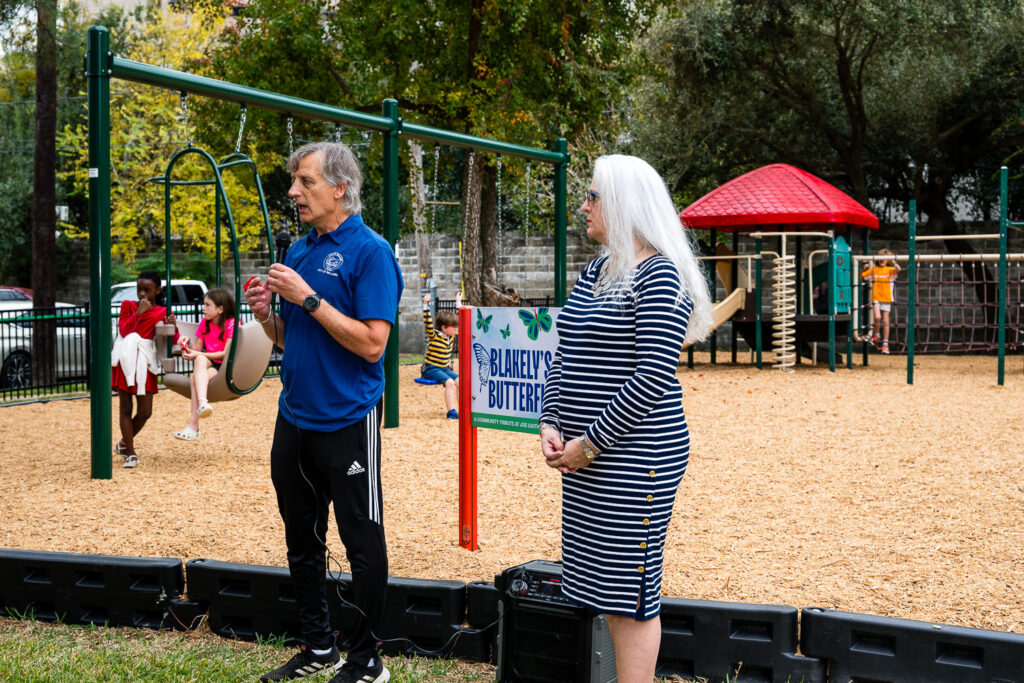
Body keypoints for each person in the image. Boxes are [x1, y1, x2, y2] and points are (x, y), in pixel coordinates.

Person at [539, 155, 712, 683]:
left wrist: (588, 444)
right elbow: (564, 352)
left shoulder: (661, 275)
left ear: (622, 204)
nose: (584, 206)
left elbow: (652, 376)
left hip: (637, 460)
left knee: (631, 594)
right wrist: (551, 420)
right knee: (604, 587)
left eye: (592, 196)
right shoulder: (597, 270)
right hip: (588, 457)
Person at [246, 141, 402, 683]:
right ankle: (319, 647)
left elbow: (373, 346)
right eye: (294, 181)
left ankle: (367, 661)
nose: (294, 191)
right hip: (294, 419)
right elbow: (291, 338)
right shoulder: (298, 252)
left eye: (305, 181)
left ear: (340, 188)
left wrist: (309, 298)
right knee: (302, 540)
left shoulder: (371, 252)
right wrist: (267, 316)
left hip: (348, 421)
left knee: (362, 544)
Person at [111, 270, 175, 469]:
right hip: (126, 358)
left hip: (145, 361)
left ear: (158, 291)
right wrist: (138, 312)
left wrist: (173, 325)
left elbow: (170, 339)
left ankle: (123, 443)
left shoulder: (162, 311)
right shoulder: (128, 306)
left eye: (147, 290)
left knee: (145, 411)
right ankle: (130, 453)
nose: (142, 294)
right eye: (139, 289)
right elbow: (124, 330)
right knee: (126, 408)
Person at [172, 288, 236, 441]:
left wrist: (198, 354)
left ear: (220, 309)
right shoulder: (205, 323)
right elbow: (197, 349)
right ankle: (202, 404)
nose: (203, 308)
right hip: (211, 362)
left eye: (207, 305)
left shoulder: (232, 324)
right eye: (203, 304)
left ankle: (193, 427)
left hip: (226, 366)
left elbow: (225, 354)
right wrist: (186, 344)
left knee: (194, 377)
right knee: (200, 360)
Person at [421, 291, 460, 419]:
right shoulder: (434, 335)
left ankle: (464, 410)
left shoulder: (451, 336)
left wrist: (458, 302)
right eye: (454, 327)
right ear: (444, 327)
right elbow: (428, 323)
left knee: (460, 381)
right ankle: (451, 412)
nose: (456, 329)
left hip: (444, 368)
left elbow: (462, 321)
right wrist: (426, 304)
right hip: (431, 368)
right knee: (450, 383)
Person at [860, 249, 901, 354]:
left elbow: (898, 269)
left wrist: (893, 260)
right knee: (877, 317)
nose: (882, 261)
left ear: (887, 260)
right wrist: (863, 269)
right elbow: (861, 276)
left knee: (885, 321)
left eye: (884, 259)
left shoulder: (890, 270)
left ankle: (885, 344)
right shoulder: (874, 269)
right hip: (876, 297)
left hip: (886, 297)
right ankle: (877, 334)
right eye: (880, 259)